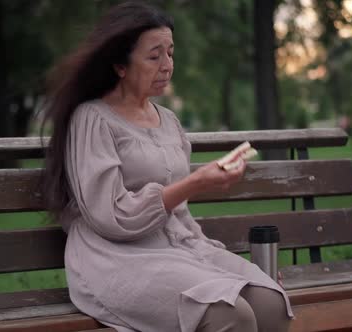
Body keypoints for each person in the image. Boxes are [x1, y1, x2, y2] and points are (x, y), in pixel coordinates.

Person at [43, 2, 293, 332]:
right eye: (154, 56)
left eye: (171, 53)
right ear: (120, 64)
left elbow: (180, 217)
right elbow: (111, 218)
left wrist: (214, 254)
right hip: (116, 259)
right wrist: (195, 182)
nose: (167, 65)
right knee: (232, 315)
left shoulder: (170, 123)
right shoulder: (93, 120)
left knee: (271, 304)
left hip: (177, 250)